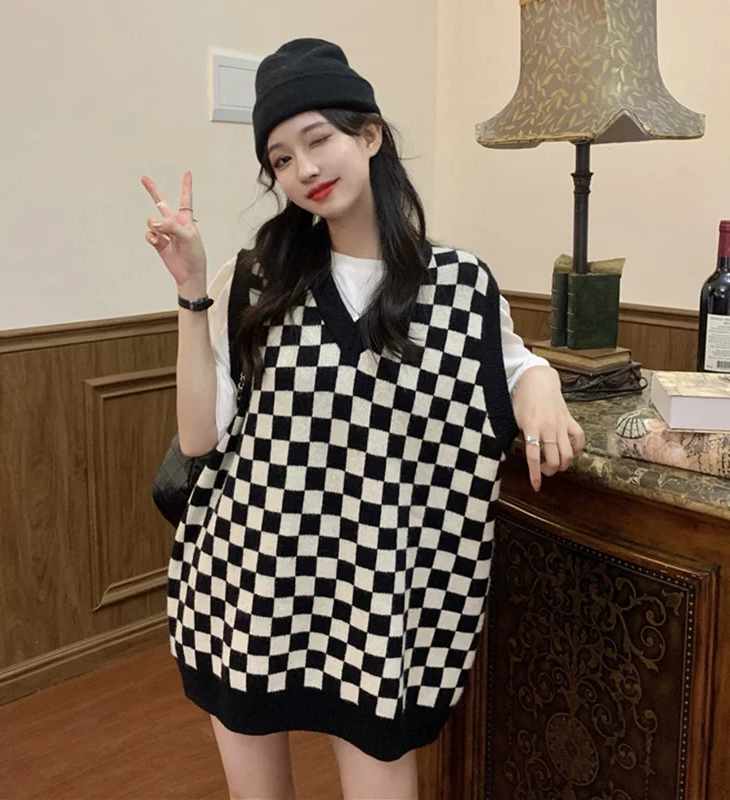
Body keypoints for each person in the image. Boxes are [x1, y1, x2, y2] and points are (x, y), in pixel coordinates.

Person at [141, 37, 584, 800]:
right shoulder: (255, 278)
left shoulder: (459, 285)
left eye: (319, 139)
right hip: (247, 579)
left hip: (378, 596)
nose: (304, 168)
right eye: (282, 158)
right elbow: (199, 437)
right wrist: (190, 291)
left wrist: (541, 380)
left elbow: (507, 365)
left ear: (370, 134)